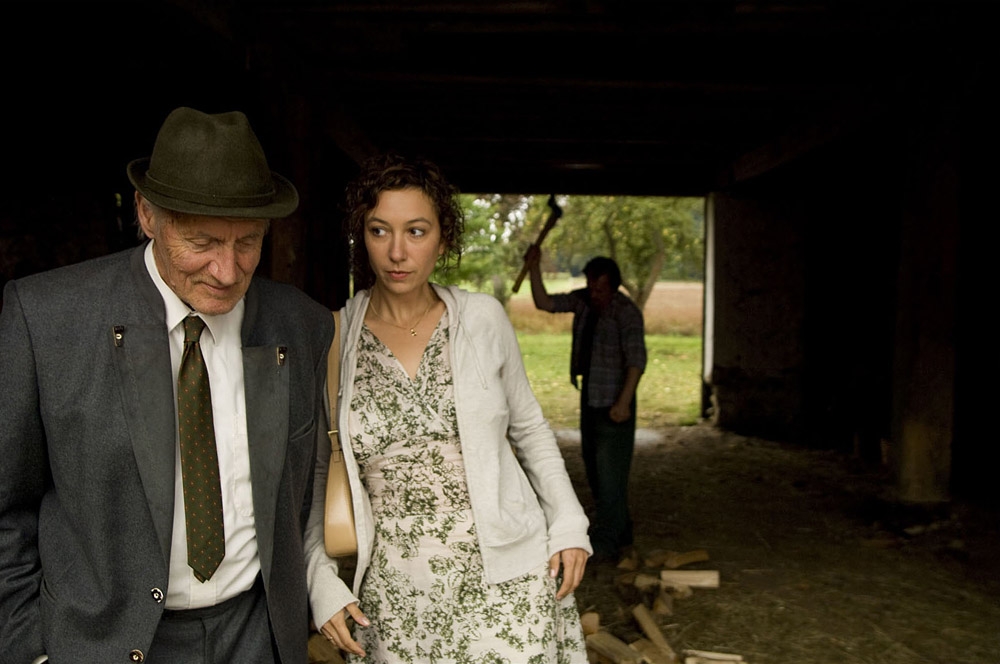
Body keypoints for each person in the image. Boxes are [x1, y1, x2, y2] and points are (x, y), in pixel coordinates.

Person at [0, 107, 335, 664]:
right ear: (146, 214)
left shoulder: (302, 326)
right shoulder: (46, 319)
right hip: (101, 645)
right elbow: (7, 506)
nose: (227, 271)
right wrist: (29, 647)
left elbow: (300, 497)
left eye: (248, 242)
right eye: (202, 241)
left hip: (256, 637)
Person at [304, 153, 592, 662]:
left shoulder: (482, 319)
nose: (397, 252)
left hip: (509, 583)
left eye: (416, 231)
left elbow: (530, 429)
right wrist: (319, 577)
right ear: (360, 236)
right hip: (397, 599)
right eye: (379, 230)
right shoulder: (333, 337)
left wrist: (569, 523)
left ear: (443, 238)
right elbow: (318, 470)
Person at [523, 246, 647, 563]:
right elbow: (544, 302)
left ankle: (606, 540)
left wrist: (623, 403)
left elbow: (636, 361)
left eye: (600, 288)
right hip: (592, 398)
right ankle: (622, 534)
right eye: (591, 286)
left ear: (614, 286)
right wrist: (534, 267)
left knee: (610, 476)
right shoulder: (583, 301)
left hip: (615, 404)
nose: (594, 293)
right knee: (594, 469)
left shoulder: (626, 312)